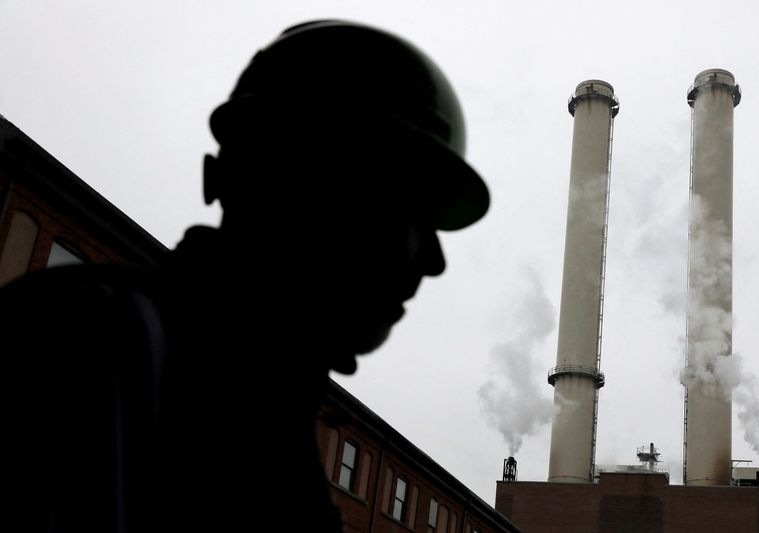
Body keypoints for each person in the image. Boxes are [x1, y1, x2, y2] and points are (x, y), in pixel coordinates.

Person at [2, 19, 489, 531]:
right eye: (411, 209)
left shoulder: (265, 421)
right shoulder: (81, 349)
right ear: (311, 185)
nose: (434, 259)